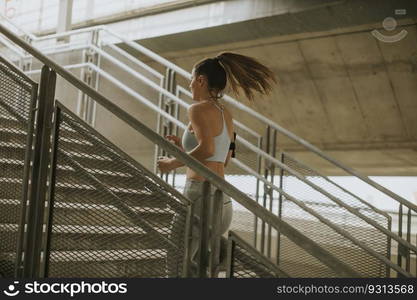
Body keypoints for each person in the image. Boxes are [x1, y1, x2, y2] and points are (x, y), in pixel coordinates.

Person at [157, 52, 276, 277]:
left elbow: (207, 149)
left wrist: (172, 163)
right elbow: (224, 158)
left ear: (201, 80)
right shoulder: (226, 114)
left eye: (192, 79)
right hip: (223, 200)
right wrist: (182, 149)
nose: (190, 84)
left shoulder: (197, 109)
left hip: (200, 195)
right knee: (203, 266)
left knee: (177, 261)